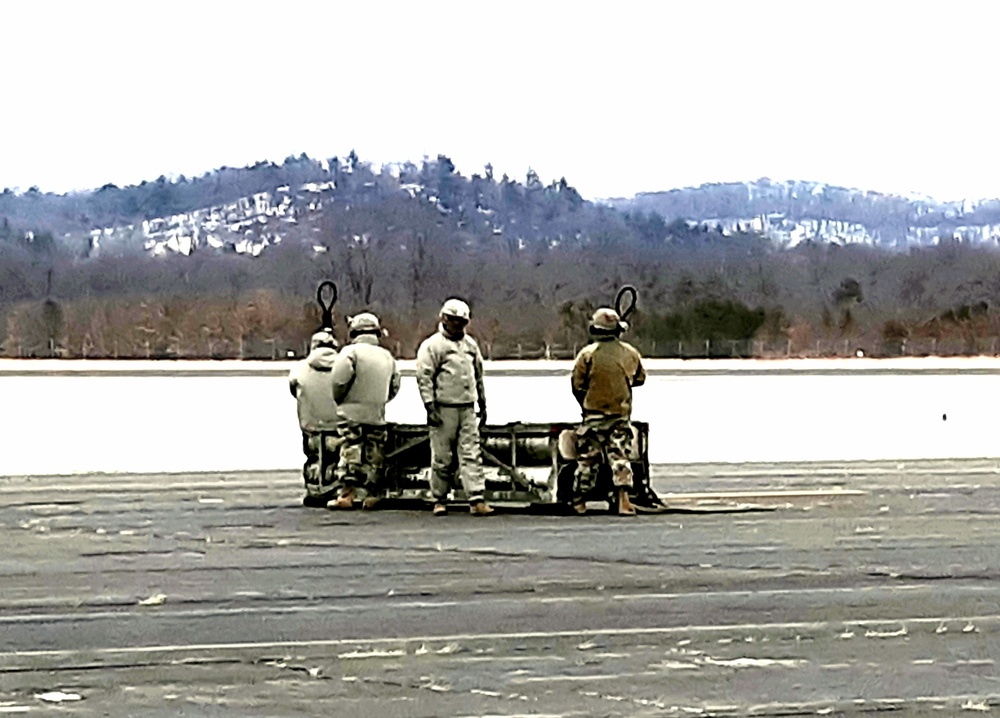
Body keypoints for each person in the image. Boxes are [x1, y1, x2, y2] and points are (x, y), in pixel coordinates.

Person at [415, 298, 494, 517]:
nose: (459, 326)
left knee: (471, 453)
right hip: (443, 408)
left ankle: (476, 498)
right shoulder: (433, 346)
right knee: (442, 456)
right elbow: (424, 377)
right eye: (455, 321)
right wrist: (429, 405)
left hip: (467, 408)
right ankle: (439, 498)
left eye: (462, 322)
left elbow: (478, 375)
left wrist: (483, 402)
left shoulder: (470, 345)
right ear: (444, 319)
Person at [570, 307, 646, 516]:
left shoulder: (587, 355)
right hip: (619, 415)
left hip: (593, 416)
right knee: (620, 458)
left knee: (587, 460)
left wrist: (587, 402)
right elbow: (639, 379)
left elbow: (577, 385)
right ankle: (623, 501)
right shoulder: (630, 353)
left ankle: (579, 501)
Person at [329, 313, 401, 510]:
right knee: (375, 455)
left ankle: (347, 494)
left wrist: (342, 401)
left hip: (351, 413)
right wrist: (380, 401)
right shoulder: (387, 356)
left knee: (351, 450)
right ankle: (372, 494)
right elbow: (394, 385)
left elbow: (339, 382)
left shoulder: (349, 353)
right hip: (376, 414)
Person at [288, 329, 340, 507]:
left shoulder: (299, 369)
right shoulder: (344, 366)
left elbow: (294, 389)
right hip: (339, 425)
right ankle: (335, 488)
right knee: (339, 459)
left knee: (314, 457)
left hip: (311, 426)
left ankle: (314, 488)